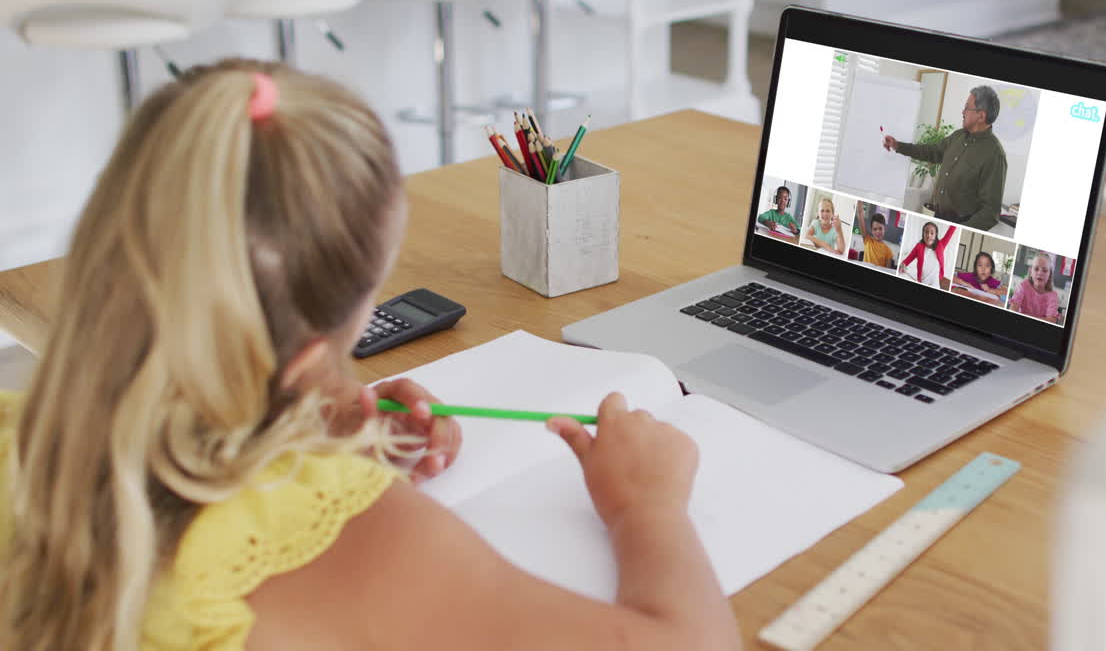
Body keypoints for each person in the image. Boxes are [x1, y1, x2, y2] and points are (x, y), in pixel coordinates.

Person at [0, 60, 740, 651]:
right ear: (305, 357)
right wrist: (646, 506)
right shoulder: (348, 542)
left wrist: (293, 434)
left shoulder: (17, 438)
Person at [883, 85, 1008, 231]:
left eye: (967, 108)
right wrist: (898, 146)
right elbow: (931, 151)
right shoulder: (958, 136)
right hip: (937, 217)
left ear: (981, 116)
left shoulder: (995, 155)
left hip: (958, 224)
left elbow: (990, 214)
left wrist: (958, 230)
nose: (963, 112)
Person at [899, 221, 957, 289]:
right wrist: (903, 264)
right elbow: (908, 259)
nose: (929, 235)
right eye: (926, 232)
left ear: (936, 235)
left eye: (932, 233)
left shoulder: (941, 245)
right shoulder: (918, 246)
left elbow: (950, 232)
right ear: (923, 234)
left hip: (935, 284)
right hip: (922, 282)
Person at [1010, 252, 1062, 323]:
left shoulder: (1053, 296)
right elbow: (1012, 310)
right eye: (1036, 269)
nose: (1040, 273)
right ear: (1031, 272)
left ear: (1049, 274)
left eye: (1044, 270)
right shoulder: (1023, 286)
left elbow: (1051, 321)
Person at [855, 202, 895, 268]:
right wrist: (859, 202)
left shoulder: (888, 252)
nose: (878, 232)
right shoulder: (867, 240)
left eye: (880, 228)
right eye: (875, 229)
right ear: (871, 230)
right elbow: (860, 214)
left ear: (884, 229)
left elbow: (887, 271)